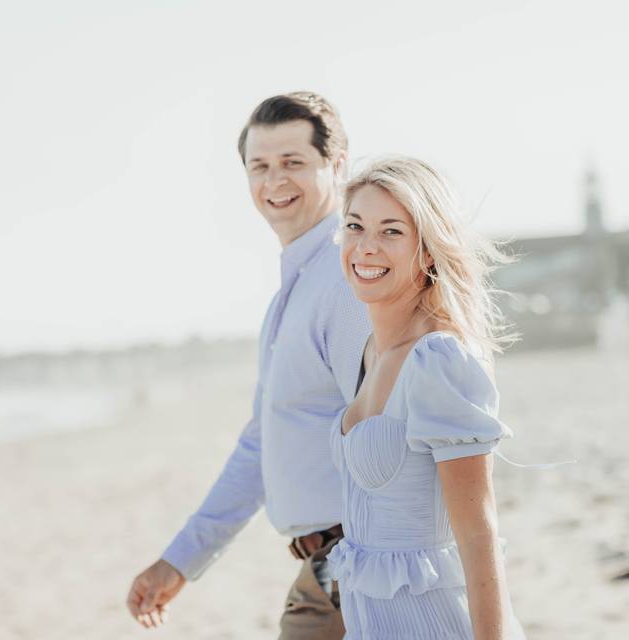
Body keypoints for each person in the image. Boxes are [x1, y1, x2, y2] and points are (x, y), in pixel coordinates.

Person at [125, 92, 370, 639]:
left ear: (338, 164)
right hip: (325, 569)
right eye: (259, 166)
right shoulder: (290, 297)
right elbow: (262, 445)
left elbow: (392, 431)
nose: (274, 181)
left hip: (361, 567)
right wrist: (181, 561)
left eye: (292, 163)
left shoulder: (349, 284)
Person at [329, 156, 526, 639]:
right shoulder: (371, 351)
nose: (366, 247)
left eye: (391, 231)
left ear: (429, 249)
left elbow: (478, 533)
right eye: (355, 226)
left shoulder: (439, 358)